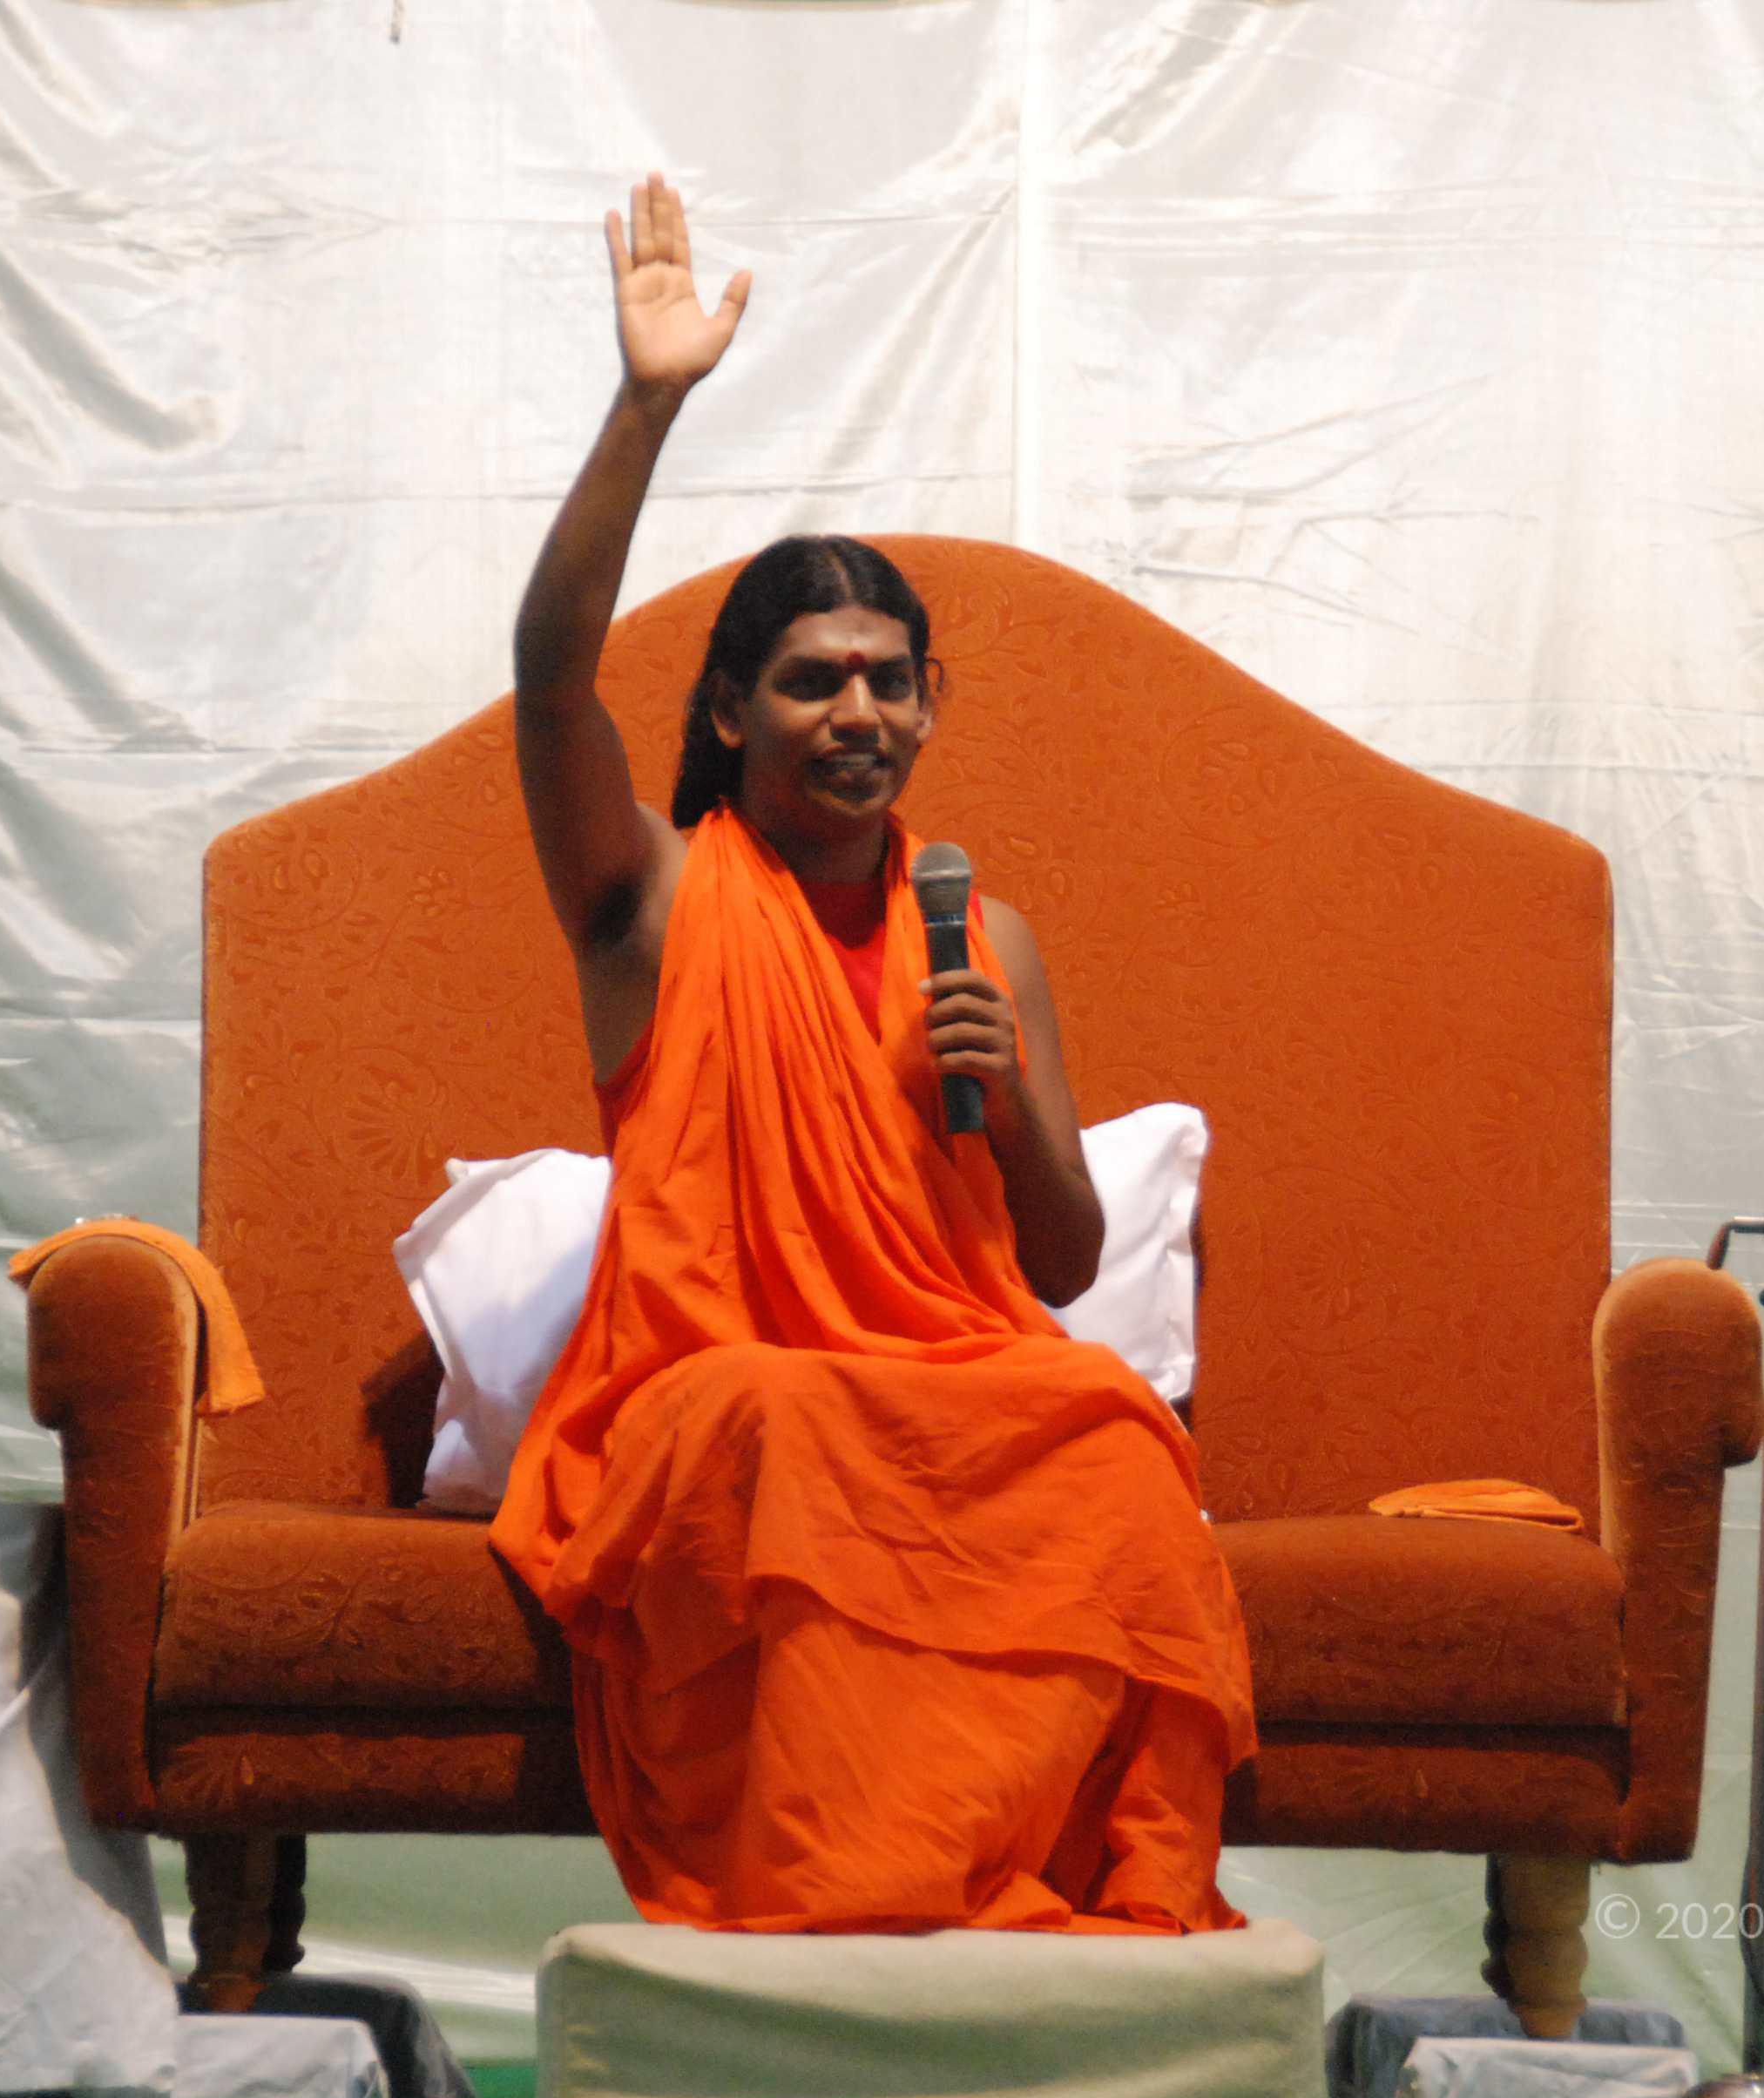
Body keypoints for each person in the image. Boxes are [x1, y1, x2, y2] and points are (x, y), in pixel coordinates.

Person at [488, 175, 1254, 1935]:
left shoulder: (985, 934)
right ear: (730, 710)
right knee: (773, 1411)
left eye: (892, 681)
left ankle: (1034, 1891)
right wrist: (647, 405)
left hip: (944, 1384)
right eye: (815, 679)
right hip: (722, 1388)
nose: (860, 713)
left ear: (929, 706)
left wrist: (1021, 1109)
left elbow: (1060, 1264)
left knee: (1113, 1429)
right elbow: (547, 684)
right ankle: (857, 1898)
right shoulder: (649, 905)